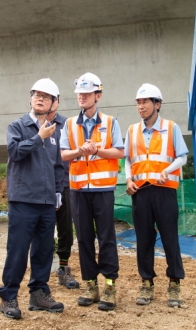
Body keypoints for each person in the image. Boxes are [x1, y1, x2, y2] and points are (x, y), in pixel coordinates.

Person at [0, 78, 65, 320]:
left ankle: (38, 293)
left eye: (46, 96)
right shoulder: (18, 125)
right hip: (24, 199)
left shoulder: (56, 130)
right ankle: (8, 296)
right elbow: (15, 152)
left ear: (54, 103)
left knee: (44, 250)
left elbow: (58, 165)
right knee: (17, 249)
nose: (40, 98)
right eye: (36, 94)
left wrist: (58, 191)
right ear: (30, 98)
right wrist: (39, 137)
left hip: (47, 201)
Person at [60, 72, 124, 311]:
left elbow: (119, 152)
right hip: (78, 190)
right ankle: (90, 284)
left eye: (87, 94)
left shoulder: (110, 122)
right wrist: (80, 151)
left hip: (103, 190)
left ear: (98, 95)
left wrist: (97, 150)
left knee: (106, 237)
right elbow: (64, 155)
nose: (82, 98)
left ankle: (109, 285)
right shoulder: (69, 124)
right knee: (84, 237)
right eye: (80, 94)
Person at [124, 84, 188, 308]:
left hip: (164, 191)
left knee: (170, 237)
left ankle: (174, 283)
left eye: (145, 102)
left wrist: (168, 171)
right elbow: (128, 159)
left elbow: (182, 157)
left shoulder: (171, 128)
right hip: (140, 192)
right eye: (138, 102)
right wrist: (129, 180)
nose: (140, 106)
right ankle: (147, 282)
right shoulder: (132, 130)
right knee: (143, 239)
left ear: (157, 104)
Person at [45, 90, 79, 289]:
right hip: (42, 185)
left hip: (65, 183)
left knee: (66, 229)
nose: (48, 102)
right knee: (43, 229)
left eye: (52, 98)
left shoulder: (68, 124)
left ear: (57, 101)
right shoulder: (34, 125)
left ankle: (64, 268)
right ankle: (42, 272)